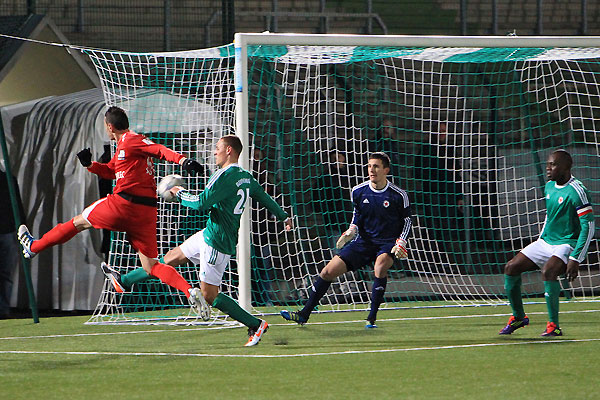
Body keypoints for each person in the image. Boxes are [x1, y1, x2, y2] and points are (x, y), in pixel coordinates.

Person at [104, 135, 293, 346]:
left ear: (229, 150)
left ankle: (255, 324)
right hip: (209, 234)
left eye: (218, 148)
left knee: (210, 295)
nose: (214, 152)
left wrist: (180, 193)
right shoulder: (245, 176)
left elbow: (201, 203)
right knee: (170, 258)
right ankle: (124, 281)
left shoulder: (225, 176)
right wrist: (284, 216)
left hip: (217, 242)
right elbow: (263, 196)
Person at [17, 106, 207, 313]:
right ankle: (189, 291)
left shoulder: (133, 140)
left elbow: (159, 149)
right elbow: (110, 171)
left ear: (109, 127)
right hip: (145, 213)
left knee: (79, 222)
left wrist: (182, 160)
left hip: (123, 205)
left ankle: (34, 247)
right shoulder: (123, 147)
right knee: (151, 266)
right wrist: (91, 165)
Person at [281, 152, 412, 328]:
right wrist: (351, 230)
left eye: (376, 166)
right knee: (327, 272)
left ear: (386, 170)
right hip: (363, 242)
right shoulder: (358, 191)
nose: (371, 170)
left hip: (387, 243)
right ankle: (303, 314)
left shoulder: (398, 194)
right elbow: (357, 216)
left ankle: (371, 319)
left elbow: (407, 221)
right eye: (369, 166)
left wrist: (401, 241)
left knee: (379, 266)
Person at [499, 149, 594, 337]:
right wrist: (540, 241)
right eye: (548, 164)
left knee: (548, 272)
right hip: (546, 241)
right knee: (511, 267)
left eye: (553, 164)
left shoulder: (578, 191)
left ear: (566, 168)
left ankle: (553, 326)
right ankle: (518, 317)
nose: (548, 168)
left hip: (567, 243)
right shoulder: (549, 186)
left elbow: (588, 226)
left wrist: (576, 258)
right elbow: (550, 217)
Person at [414, 122, 465, 264]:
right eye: (440, 131)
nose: (442, 134)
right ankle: (432, 260)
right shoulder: (426, 149)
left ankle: (445, 260)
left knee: (447, 227)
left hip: (448, 195)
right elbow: (417, 172)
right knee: (433, 227)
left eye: (444, 131)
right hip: (432, 194)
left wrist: (459, 196)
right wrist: (432, 181)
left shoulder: (449, 150)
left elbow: (457, 174)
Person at [314, 150, 353, 250]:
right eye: (333, 158)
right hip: (333, 223)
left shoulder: (352, 176)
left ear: (344, 158)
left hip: (352, 223)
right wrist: (328, 211)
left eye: (339, 157)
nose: (336, 160)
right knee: (336, 252)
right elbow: (316, 200)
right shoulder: (325, 178)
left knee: (354, 253)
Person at [0, 160, 24, 319]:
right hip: (7, 230)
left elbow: (17, 205)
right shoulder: (7, 178)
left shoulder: (8, 179)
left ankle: (3, 309)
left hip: (6, 230)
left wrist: (21, 228)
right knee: (5, 273)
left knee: (6, 272)